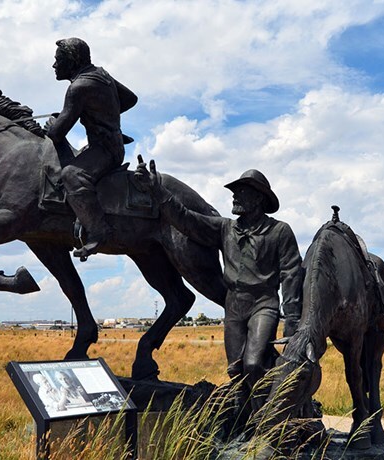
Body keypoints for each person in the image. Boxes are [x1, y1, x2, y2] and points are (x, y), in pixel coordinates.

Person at [134, 158, 303, 412]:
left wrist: (292, 324)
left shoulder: (279, 231)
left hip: (263, 304)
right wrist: (159, 192)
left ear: (258, 199)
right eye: (234, 191)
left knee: (254, 364)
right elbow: (186, 220)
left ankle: (268, 417)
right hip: (234, 304)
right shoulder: (225, 228)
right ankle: (247, 418)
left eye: (241, 191)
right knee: (236, 369)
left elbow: (291, 274)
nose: (234, 196)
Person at [46, 37, 138, 260]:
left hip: (105, 151)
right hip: (110, 144)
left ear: (72, 60)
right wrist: (103, 114)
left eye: (58, 60)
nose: (54, 65)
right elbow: (129, 99)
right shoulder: (101, 74)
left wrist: (52, 124)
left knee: (71, 175)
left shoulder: (78, 87)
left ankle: (98, 231)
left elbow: (57, 134)